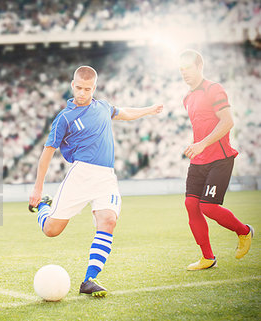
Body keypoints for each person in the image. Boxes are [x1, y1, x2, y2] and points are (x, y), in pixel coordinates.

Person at [29, 66, 163, 297]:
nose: (82, 92)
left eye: (88, 89)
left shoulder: (103, 107)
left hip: (106, 177)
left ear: (95, 88)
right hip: (80, 175)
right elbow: (47, 152)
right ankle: (43, 207)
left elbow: (125, 112)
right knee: (52, 230)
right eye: (79, 87)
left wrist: (148, 110)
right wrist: (37, 189)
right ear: (73, 85)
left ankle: (89, 279)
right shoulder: (65, 118)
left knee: (109, 221)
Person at [179, 49, 254, 270]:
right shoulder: (187, 98)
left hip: (220, 158)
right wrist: (196, 145)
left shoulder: (214, 89)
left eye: (188, 68)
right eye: (181, 69)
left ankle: (244, 231)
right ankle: (208, 258)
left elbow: (227, 121)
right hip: (198, 160)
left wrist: (203, 143)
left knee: (208, 207)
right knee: (191, 205)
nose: (184, 73)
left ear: (200, 67)